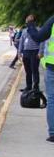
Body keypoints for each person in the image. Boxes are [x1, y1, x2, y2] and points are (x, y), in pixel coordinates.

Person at [23, 13, 54, 142]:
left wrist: (30, 24)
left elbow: (38, 37)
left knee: (52, 100)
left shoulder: (53, 20)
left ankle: (53, 133)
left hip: (52, 66)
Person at [19, 19, 42, 91]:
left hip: (35, 52)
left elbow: (42, 41)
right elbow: (21, 41)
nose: (28, 22)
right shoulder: (24, 31)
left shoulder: (38, 30)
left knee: (34, 70)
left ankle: (36, 87)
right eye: (27, 21)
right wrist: (19, 52)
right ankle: (28, 86)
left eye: (30, 21)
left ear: (34, 22)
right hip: (26, 52)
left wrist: (40, 52)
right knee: (27, 71)